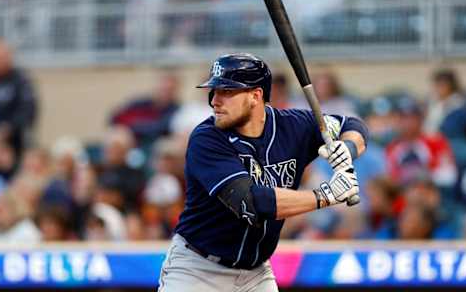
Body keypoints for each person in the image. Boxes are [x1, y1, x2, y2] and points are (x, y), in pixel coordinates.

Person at [158, 53, 368, 291]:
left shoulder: (293, 126)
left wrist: (347, 148)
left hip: (255, 272)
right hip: (198, 269)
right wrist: (326, 196)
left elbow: (352, 125)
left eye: (226, 91)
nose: (215, 100)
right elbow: (252, 203)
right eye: (214, 91)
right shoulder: (206, 138)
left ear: (255, 96)